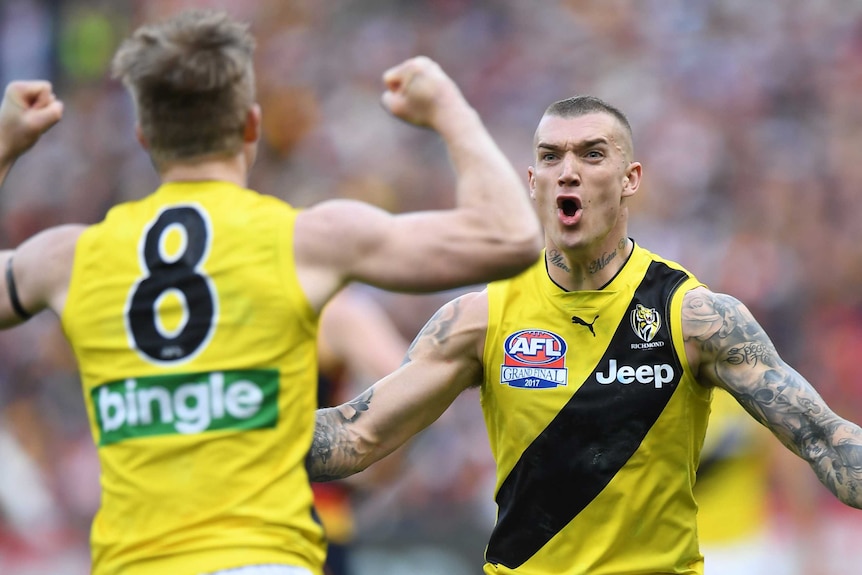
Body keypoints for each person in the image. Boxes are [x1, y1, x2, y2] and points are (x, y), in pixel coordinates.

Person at [0, 8, 543, 575]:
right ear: (251, 126)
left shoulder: (69, 257)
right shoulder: (304, 239)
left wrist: (7, 142)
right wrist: (448, 109)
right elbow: (507, 236)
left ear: (144, 137)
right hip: (263, 559)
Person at [306, 94, 862, 575]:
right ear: (534, 182)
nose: (567, 170)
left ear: (630, 179)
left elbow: (823, 440)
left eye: (592, 154)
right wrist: (231, 420)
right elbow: (357, 437)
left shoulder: (693, 317)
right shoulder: (480, 319)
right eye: (551, 157)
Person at [313, 287, 409, 575]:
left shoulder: (332, 310)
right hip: (311, 518)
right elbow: (410, 386)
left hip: (307, 520)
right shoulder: (334, 308)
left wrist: (371, 470)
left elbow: (406, 386)